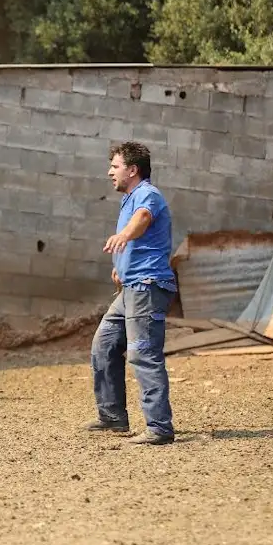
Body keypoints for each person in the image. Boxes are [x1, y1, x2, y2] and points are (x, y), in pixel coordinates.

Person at [87, 141, 177, 445]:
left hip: (147, 289)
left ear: (133, 170)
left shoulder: (146, 195)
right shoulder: (129, 198)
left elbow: (142, 220)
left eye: (115, 166)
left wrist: (123, 235)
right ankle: (113, 417)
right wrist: (120, 267)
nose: (110, 172)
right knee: (104, 346)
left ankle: (159, 428)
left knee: (143, 354)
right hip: (131, 288)